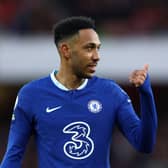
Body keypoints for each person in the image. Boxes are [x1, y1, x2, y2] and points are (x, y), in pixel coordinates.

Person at [0, 16, 157, 168]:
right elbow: (13, 154)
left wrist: (146, 94)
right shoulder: (31, 95)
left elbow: (145, 144)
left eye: (98, 48)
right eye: (89, 48)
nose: (97, 57)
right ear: (66, 50)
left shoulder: (111, 92)